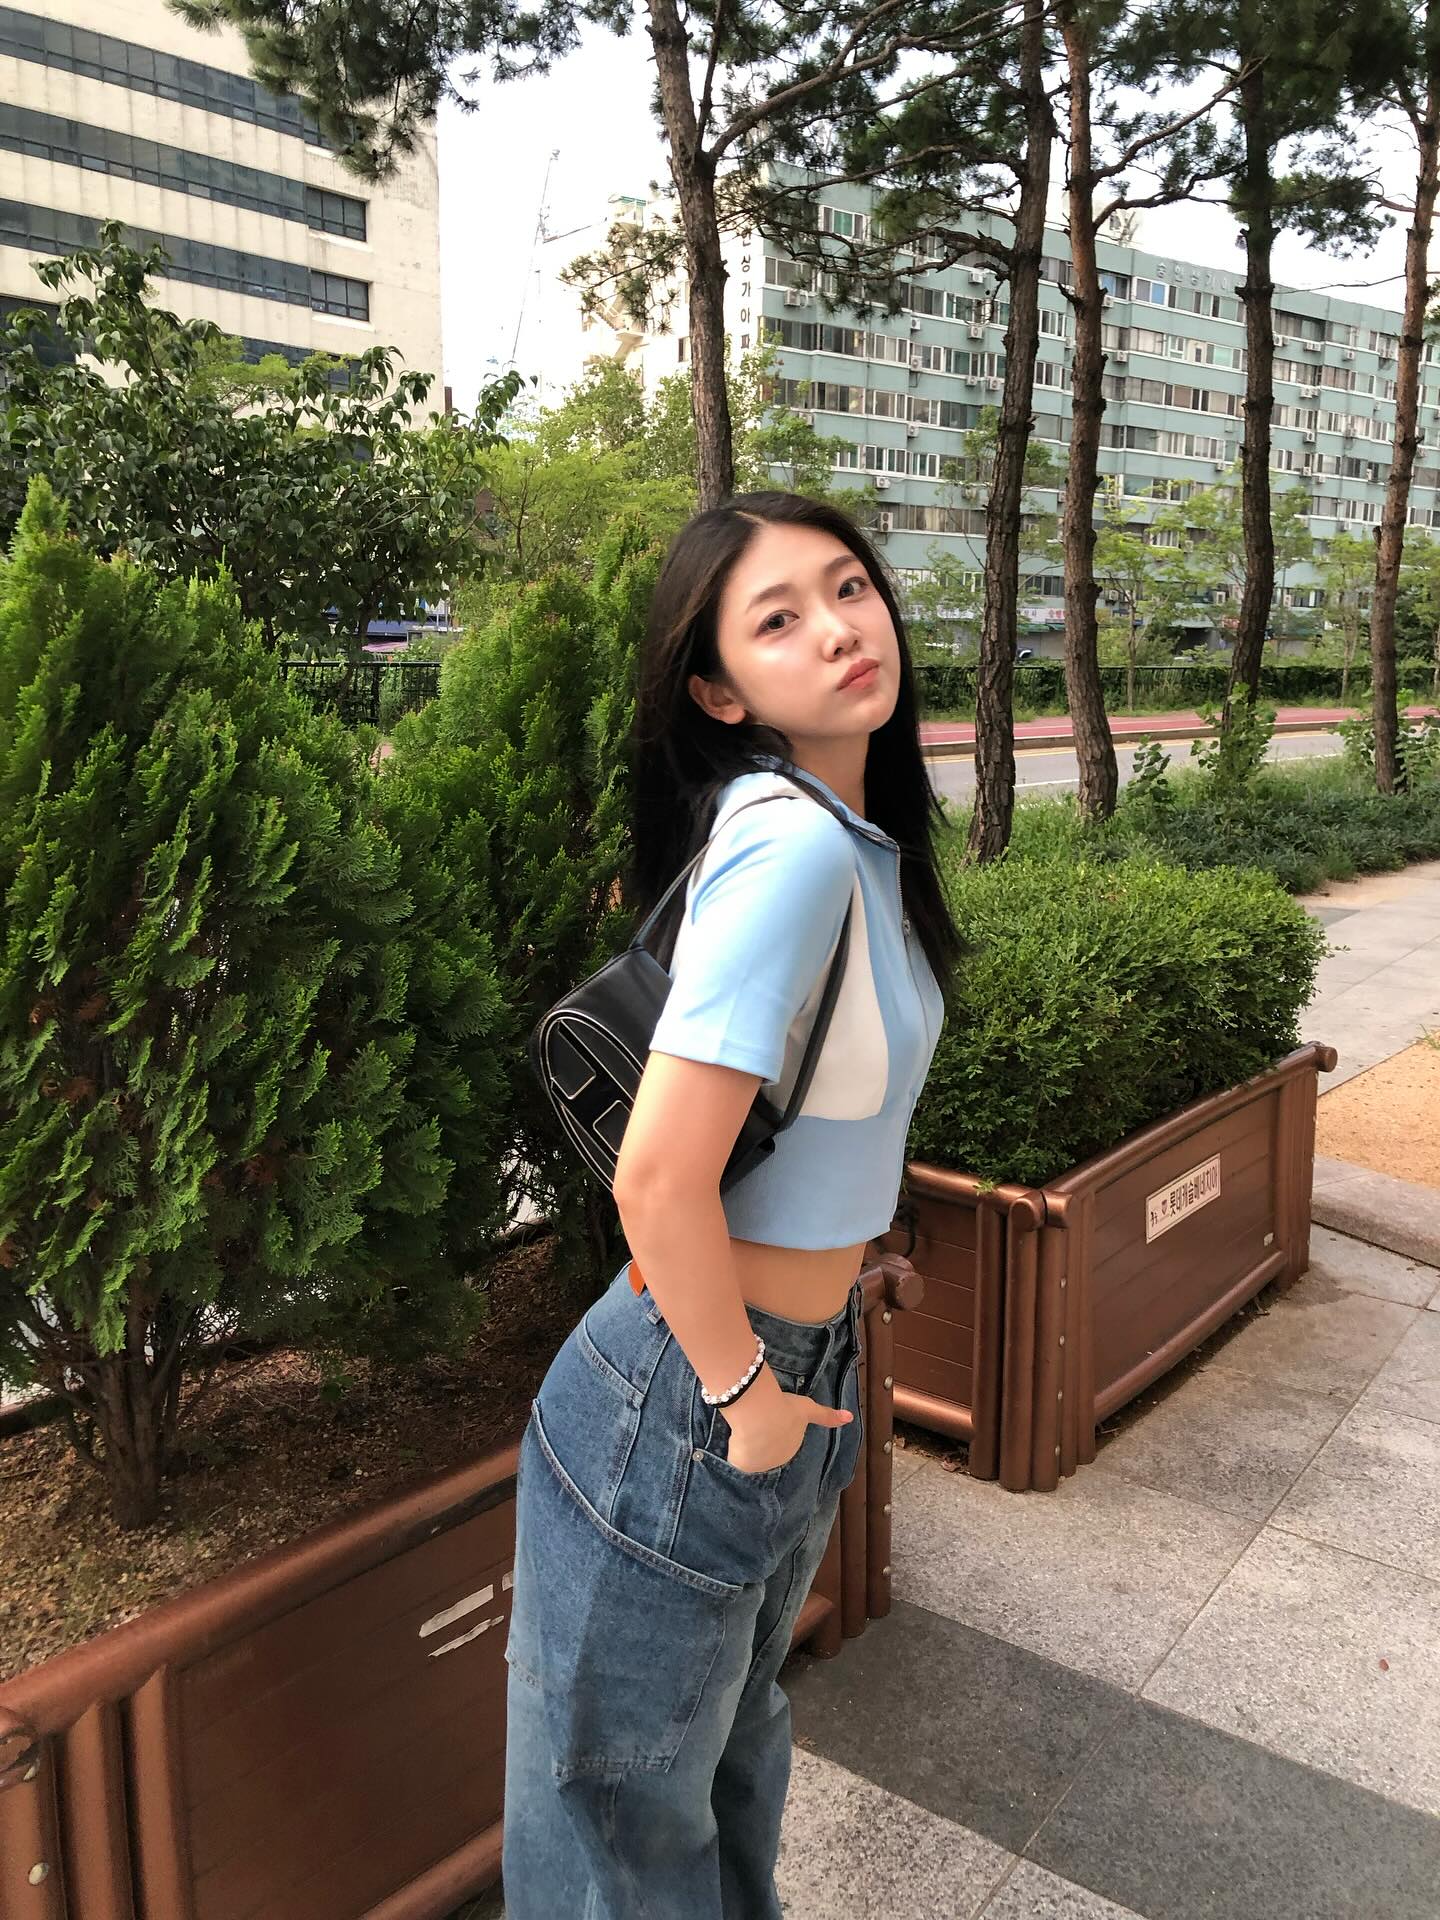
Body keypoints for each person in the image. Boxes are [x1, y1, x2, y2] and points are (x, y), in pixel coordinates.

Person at [502, 490, 964, 1918]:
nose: (837, 628)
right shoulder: (794, 845)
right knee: (626, 1835)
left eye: (849, 587)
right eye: (779, 619)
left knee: (724, 1772)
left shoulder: (853, 839)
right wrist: (747, 1397)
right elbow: (655, 1175)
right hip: (694, 1392)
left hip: (781, 1370)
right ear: (719, 690)